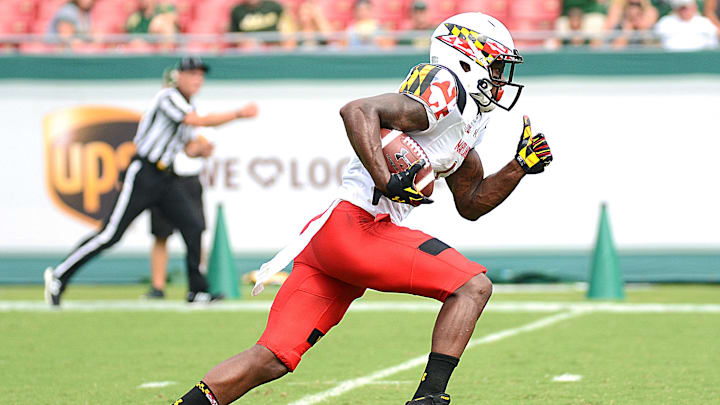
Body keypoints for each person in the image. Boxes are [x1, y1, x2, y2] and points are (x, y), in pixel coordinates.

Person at [173, 12, 553, 405]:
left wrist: (518, 167)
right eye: (494, 62)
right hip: (358, 228)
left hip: (332, 241)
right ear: (465, 56)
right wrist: (386, 179)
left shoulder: (468, 121)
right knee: (472, 286)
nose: (499, 74)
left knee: (272, 357)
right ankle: (429, 398)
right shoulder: (444, 87)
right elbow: (357, 110)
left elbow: (470, 204)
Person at [44, 57, 259, 307]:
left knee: (193, 226)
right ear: (179, 76)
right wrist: (238, 114)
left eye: (200, 75)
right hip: (144, 173)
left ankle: (197, 291)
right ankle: (59, 276)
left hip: (166, 177)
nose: (197, 79)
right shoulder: (168, 97)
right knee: (111, 235)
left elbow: (188, 146)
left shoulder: (189, 105)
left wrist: (200, 149)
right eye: (192, 74)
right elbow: (194, 121)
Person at [144, 67, 216, 299]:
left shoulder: (194, 110)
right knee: (161, 234)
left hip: (188, 177)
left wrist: (201, 148)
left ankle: (196, 286)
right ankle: (158, 286)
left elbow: (193, 145)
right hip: (164, 177)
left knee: (195, 232)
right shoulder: (163, 107)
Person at [655, 0, 719, 50]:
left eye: (687, 8)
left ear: (694, 8)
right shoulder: (665, 22)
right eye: (682, 8)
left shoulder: (704, 22)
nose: (685, 11)